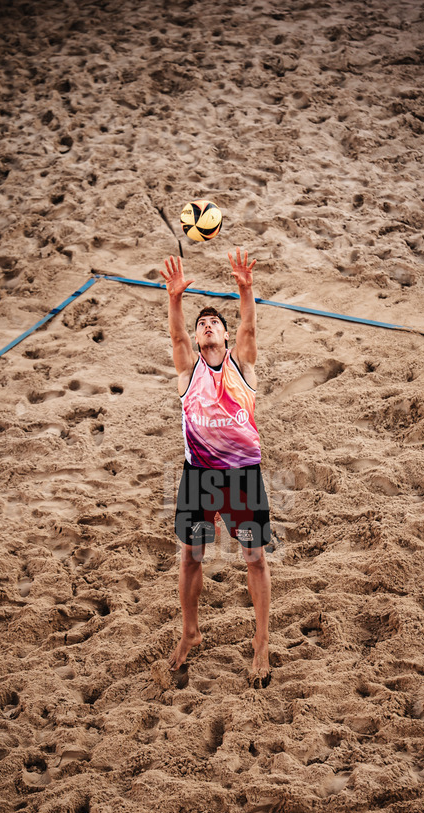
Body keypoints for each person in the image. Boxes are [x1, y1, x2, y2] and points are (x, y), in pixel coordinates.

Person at [160, 249, 271, 686]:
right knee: (191, 556)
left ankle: (261, 643)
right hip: (199, 477)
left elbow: (250, 325)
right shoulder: (188, 370)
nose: (207, 326)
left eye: (214, 323)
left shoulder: (241, 364)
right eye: (201, 323)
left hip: (243, 476)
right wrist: (174, 301)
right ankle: (191, 633)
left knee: (255, 558)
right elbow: (176, 340)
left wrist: (245, 288)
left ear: (225, 337)